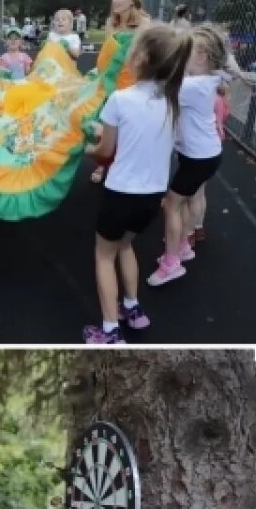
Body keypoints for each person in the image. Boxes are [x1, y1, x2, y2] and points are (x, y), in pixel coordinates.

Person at [84, 25, 193, 343]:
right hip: (152, 197)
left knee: (104, 255)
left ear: (142, 58)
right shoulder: (174, 102)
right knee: (126, 245)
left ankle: (109, 330)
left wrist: (90, 146)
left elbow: (105, 151)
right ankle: (132, 308)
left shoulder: (120, 99)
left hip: (121, 194)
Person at [150, 24, 241, 286]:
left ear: (201, 57)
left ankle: (171, 263)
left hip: (199, 157)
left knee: (171, 203)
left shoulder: (194, 86)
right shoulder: (207, 79)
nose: (179, 57)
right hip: (203, 154)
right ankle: (183, 249)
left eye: (184, 52)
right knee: (187, 199)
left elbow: (159, 89)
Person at [91, 0, 154, 185]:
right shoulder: (111, 24)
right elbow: (109, 54)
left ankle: (125, 166)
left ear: (133, 0)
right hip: (110, 82)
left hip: (134, 83)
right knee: (105, 124)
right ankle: (102, 165)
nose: (116, 0)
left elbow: (147, 57)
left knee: (129, 130)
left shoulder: (145, 25)